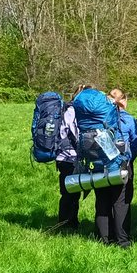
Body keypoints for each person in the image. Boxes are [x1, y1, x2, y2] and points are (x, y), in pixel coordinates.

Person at [98, 88, 137, 248]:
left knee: (102, 201)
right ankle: (123, 240)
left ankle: (104, 239)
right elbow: (135, 145)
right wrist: (128, 161)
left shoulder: (99, 118)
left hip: (100, 165)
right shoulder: (128, 119)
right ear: (124, 100)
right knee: (121, 202)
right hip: (122, 165)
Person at [54, 84, 89, 230]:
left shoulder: (69, 109)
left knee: (72, 192)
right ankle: (65, 223)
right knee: (69, 193)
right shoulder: (72, 111)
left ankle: (71, 221)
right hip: (68, 157)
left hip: (66, 156)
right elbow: (75, 134)